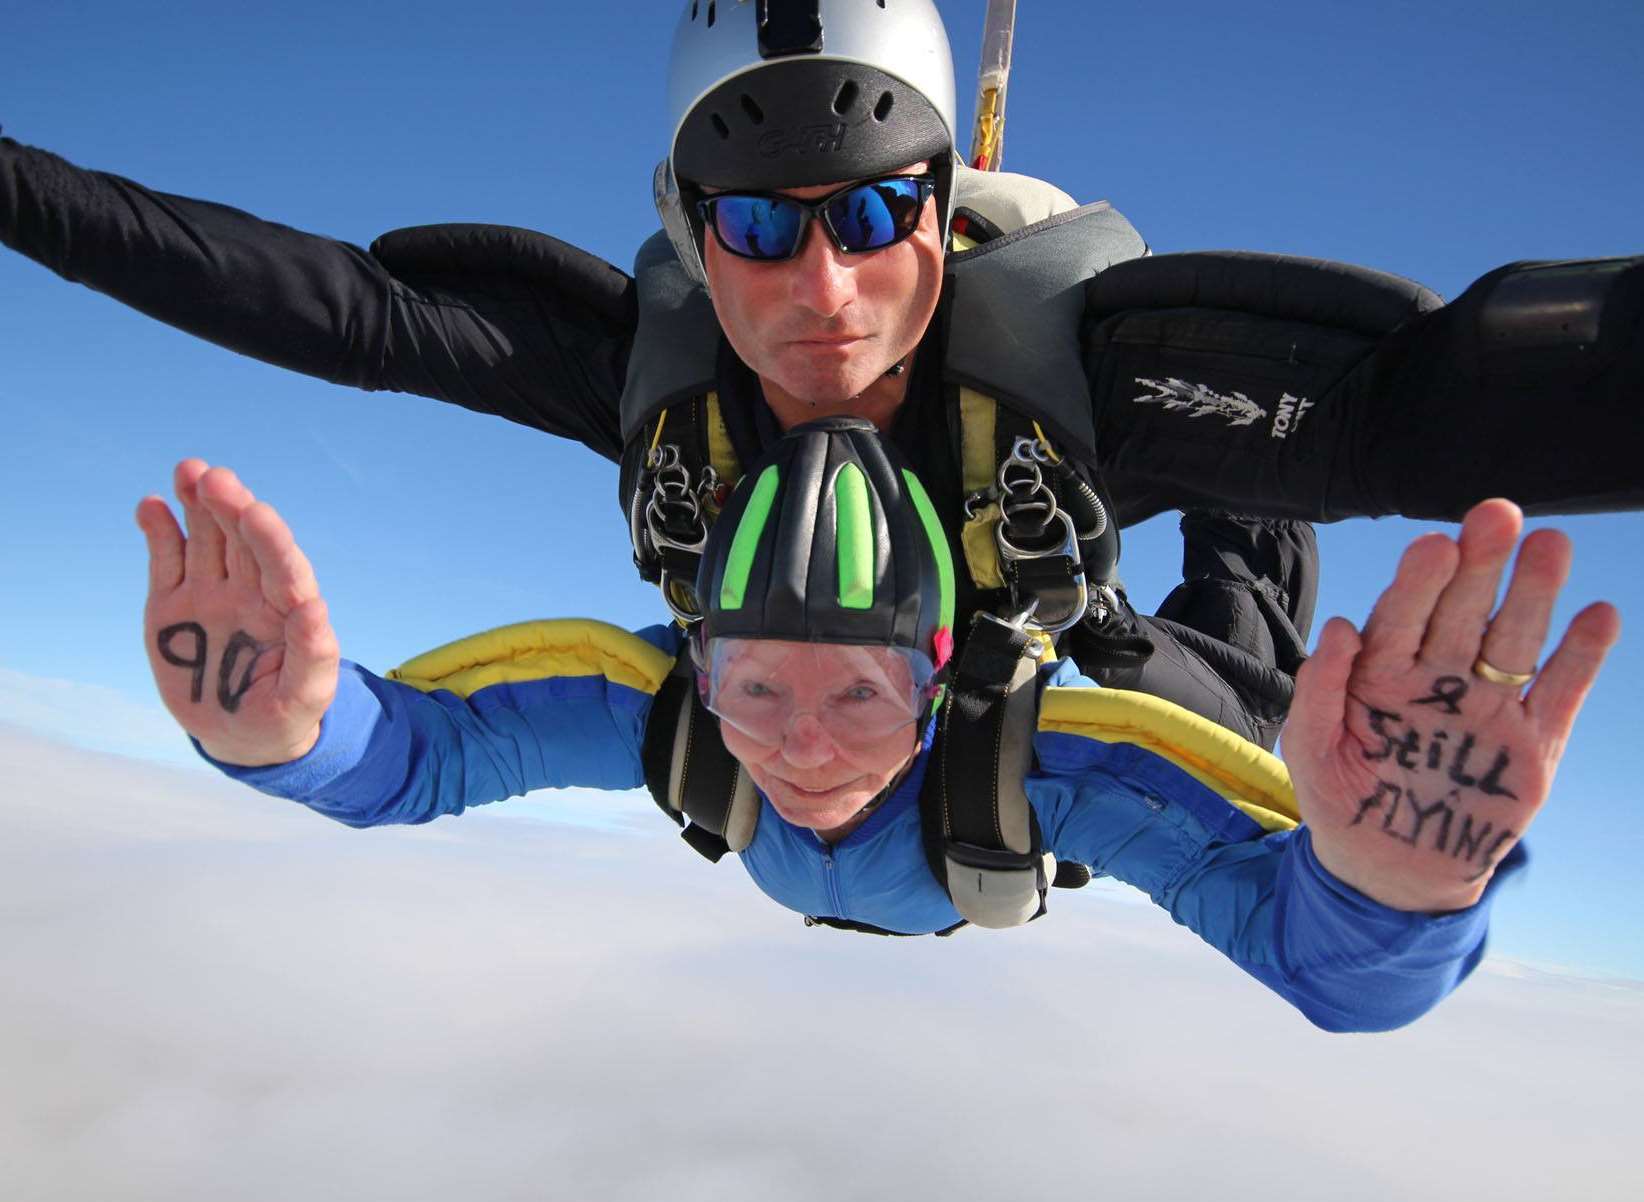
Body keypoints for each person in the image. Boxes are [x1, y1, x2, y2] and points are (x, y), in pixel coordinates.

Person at [5, 1, 1639, 745]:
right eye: (762, 232)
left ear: (937, 207)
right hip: (842, 653)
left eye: (873, 214)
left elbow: (1430, 405)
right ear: (687, 233)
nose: (827, 290)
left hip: (1070, 558)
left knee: (1250, 724)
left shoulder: (1076, 383)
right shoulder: (654, 381)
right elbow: (333, 308)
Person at [136, 419, 1620, 1032]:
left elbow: (1318, 961)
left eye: (862, 692)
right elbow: (424, 751)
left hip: (1080, 698)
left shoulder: (1045, 764)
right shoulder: (669, 715)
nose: (801, 742)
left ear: (939, 676)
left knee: (1234, 666)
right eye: (755, 686)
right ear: (696, 662)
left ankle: (1239, 461)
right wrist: (291, 732)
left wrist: (1391, 885)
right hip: (969, 797)